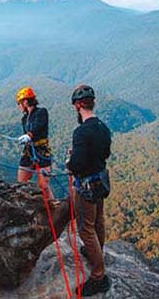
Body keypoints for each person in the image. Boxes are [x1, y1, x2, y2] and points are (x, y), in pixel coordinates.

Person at [66, 84, 112, 296]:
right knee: (98, 219)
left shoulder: (81, 132)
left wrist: (70, 159)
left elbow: (76, 164)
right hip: (101, 180)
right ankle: (97, 252)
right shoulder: (103, 127)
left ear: (77, 106)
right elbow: (106, 153)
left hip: (86, 184)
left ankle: (98, 276)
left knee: (86, 227)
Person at [15, 86, 54, 199]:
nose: (19, 106)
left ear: (25, 102)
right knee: (21, 182)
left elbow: (39, 126)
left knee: (44, 185)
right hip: (28, 151)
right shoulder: (25, 118)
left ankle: (53, 206)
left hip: (42, 151)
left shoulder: (41, 112)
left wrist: (29, 135)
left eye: (19, 103)